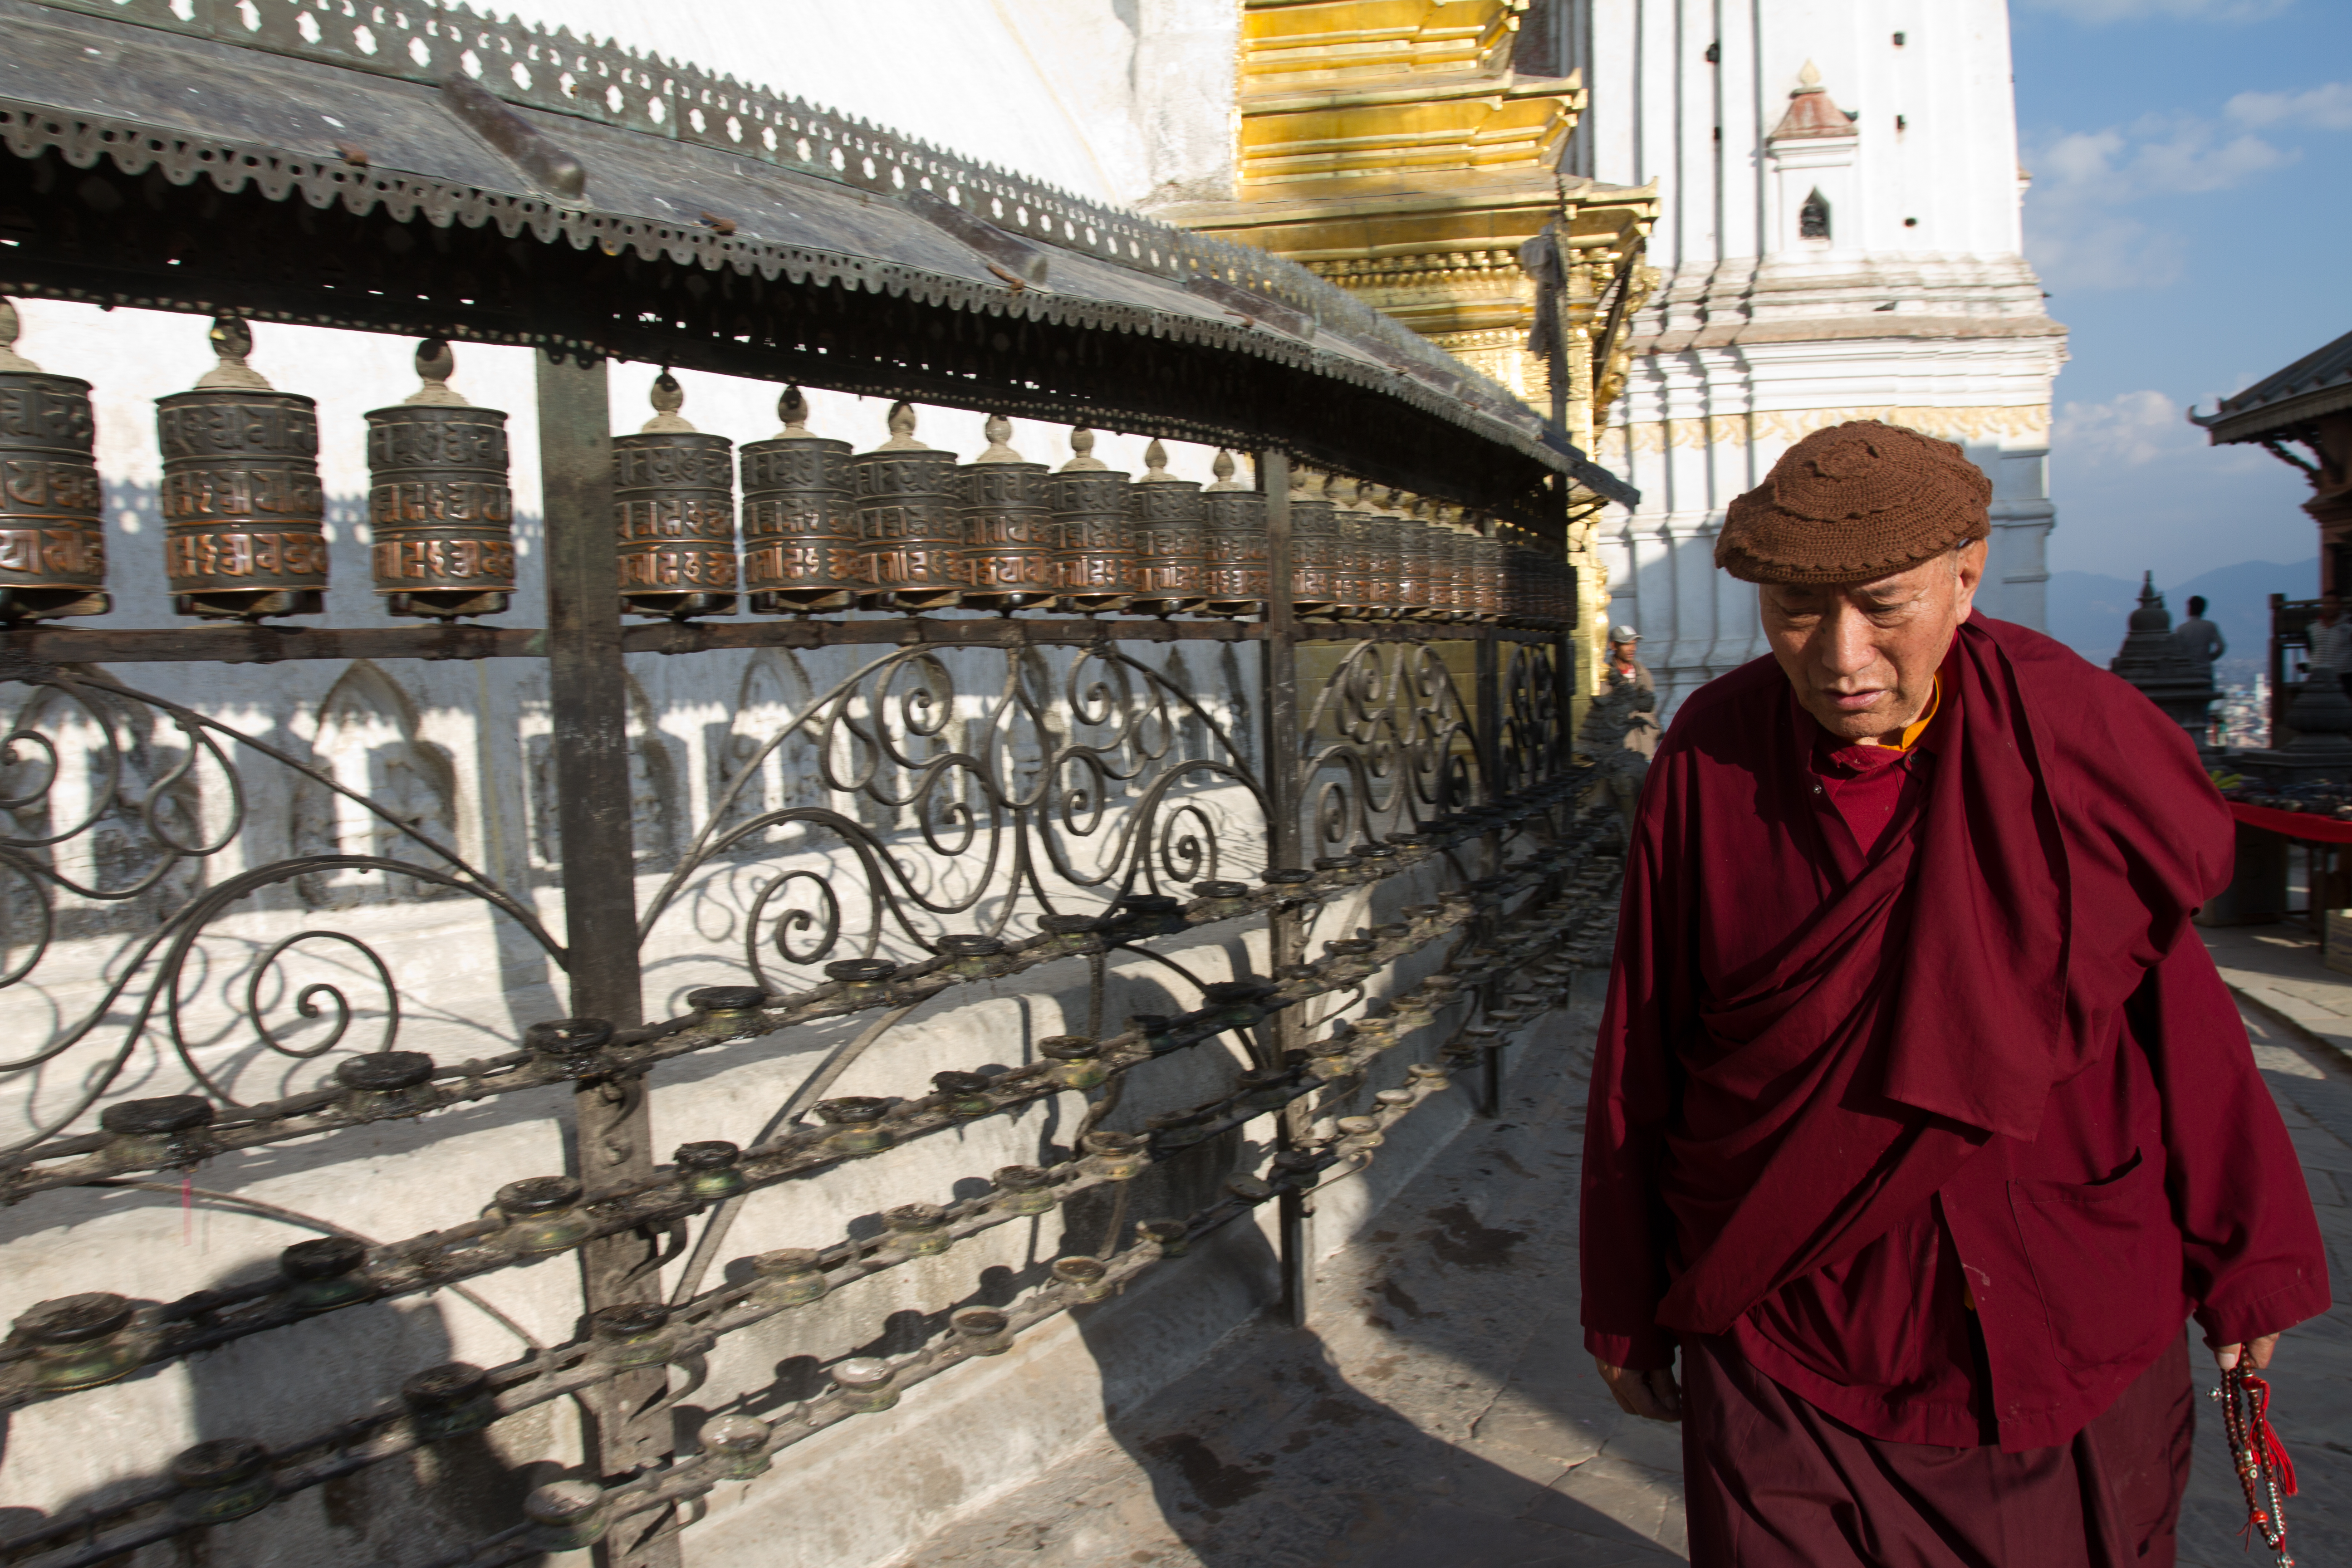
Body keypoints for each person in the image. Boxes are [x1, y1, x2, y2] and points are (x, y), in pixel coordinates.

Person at [1579, 420, 2326, 1568]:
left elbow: (2176, 1015)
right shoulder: (1710, 755)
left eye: (1883, 605)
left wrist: (2248, 1255)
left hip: (2061, 1300)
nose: (1839, 655)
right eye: (1793, 610)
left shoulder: (2069, 738)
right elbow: (1646, 1033)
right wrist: (1623, 1293)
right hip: (1793, 1309)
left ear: (1964, 576)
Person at [1604, 623, 1661, 759]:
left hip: (1646, 750)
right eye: (1626, 644)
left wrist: (1653, 733)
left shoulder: (1643, 673)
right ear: (1613, 646)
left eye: (1634, 644)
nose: (1632, 649)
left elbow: (1652, 710)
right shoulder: (1606, 676)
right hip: (1621, 752)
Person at [2307, 591, 2352, 700]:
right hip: (2318, 679)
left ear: (2340, 605)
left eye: (2333, 603)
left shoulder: (2349, 627)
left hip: (2343, 679)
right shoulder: (2313, 628)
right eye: (2326, 603)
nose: (2329, 607)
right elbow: (2310, 649)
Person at [2173, 594, 2225, 670]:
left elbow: (2176, 651)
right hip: (2205, 669)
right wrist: (2209, 658)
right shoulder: (2210, 626)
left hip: (2188, 670)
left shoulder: (2181, 629)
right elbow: (2221, 647)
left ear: (2190, 609)